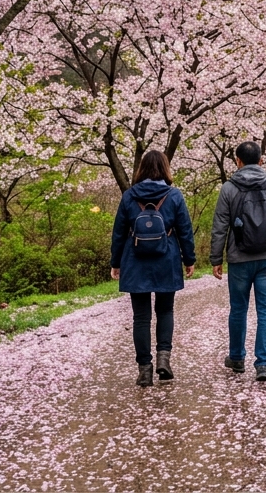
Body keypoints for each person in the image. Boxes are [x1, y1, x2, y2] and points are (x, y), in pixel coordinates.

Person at [210, 141, 266, 382]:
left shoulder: (228, 188)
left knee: (238, 308)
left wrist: (216, 258)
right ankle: (263, 364)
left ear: (238, 161)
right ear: (261, 160)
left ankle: (237, 358)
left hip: (238, 259)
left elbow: (219, 227)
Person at [110, 150, 196, 387]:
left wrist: (115, 263)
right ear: (165, 169)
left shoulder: (129, 196)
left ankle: (144, 370)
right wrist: (189, 259)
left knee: (141, 317)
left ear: (142, 169)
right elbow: (185, 231)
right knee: (165, 311)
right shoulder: (174, 195)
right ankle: (164, 361)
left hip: (135, 260)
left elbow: (119, 233)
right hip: (166, 259)